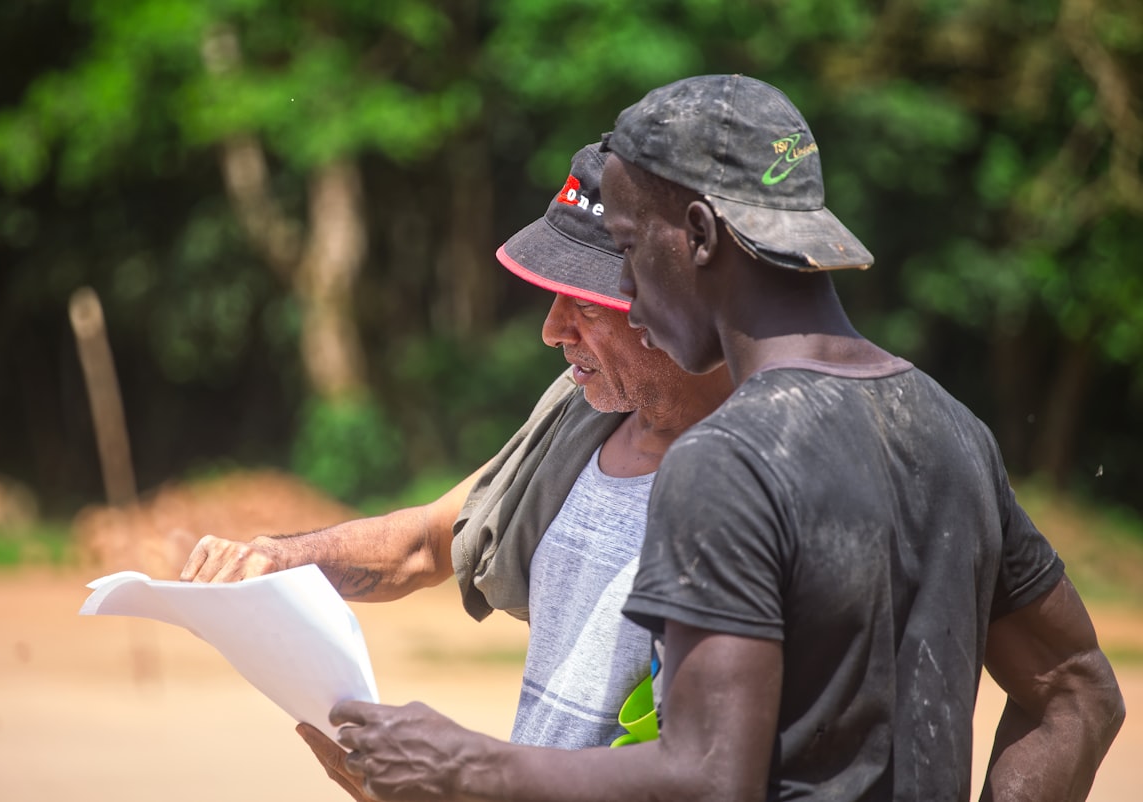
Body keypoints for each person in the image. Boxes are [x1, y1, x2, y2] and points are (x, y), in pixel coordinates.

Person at [305, 75, 1125, 802]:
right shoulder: (951, 429)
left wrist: (460, 768)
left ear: (698, 236)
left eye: (626, 249)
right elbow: (1078, 691)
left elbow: (705, 777)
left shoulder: (728, 459)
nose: (622, 287)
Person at [181, 143, 733, 754]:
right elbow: (423, 544)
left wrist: (464, 783)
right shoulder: (584, 416)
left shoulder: (766, 476)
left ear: (675, 296)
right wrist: (280, 560)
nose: (552, 330)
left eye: (584, 303)